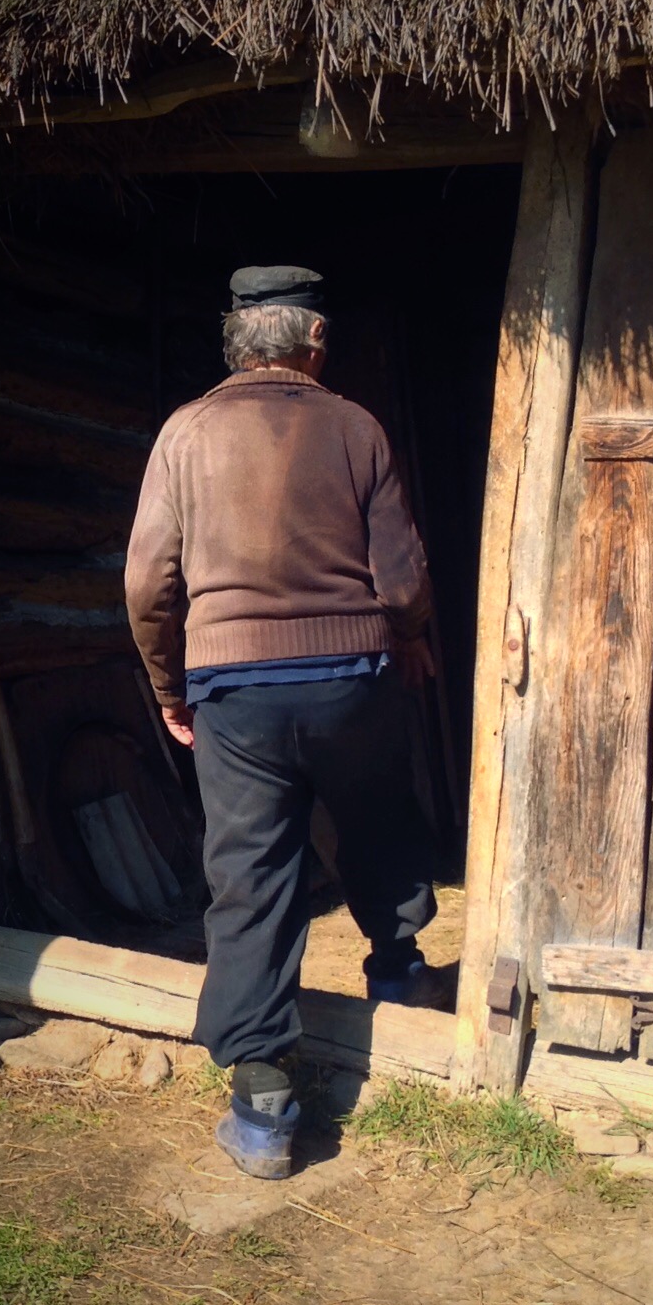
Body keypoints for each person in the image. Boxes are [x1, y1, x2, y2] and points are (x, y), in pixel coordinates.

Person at [124, 265, 438, 1180]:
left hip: (235, 690)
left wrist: (167, 687)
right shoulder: (356, 427)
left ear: (236, 344)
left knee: (251, 870)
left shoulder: (184, 433)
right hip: (350, 676)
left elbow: (148, 585)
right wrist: (409, 639)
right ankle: (399, 974)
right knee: (378, 810)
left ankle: (264, 1110)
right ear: (314, 343)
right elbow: (405, 580)